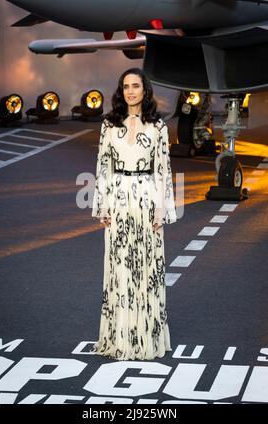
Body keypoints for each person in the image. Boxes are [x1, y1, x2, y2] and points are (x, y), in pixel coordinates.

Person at [91, 67, 177, 360]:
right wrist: (101, 203)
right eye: (125, 86)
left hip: (146, 200)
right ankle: (119, 338)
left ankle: (145, 339)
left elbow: (163, 170)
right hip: (118, 200)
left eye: (136, 86)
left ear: (145, 90)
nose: (130, 91)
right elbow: (103, 166)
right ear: (121, 91)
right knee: (119, 271)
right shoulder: (109, 124)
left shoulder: (158, 126)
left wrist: (161, 209)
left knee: (147, 270)